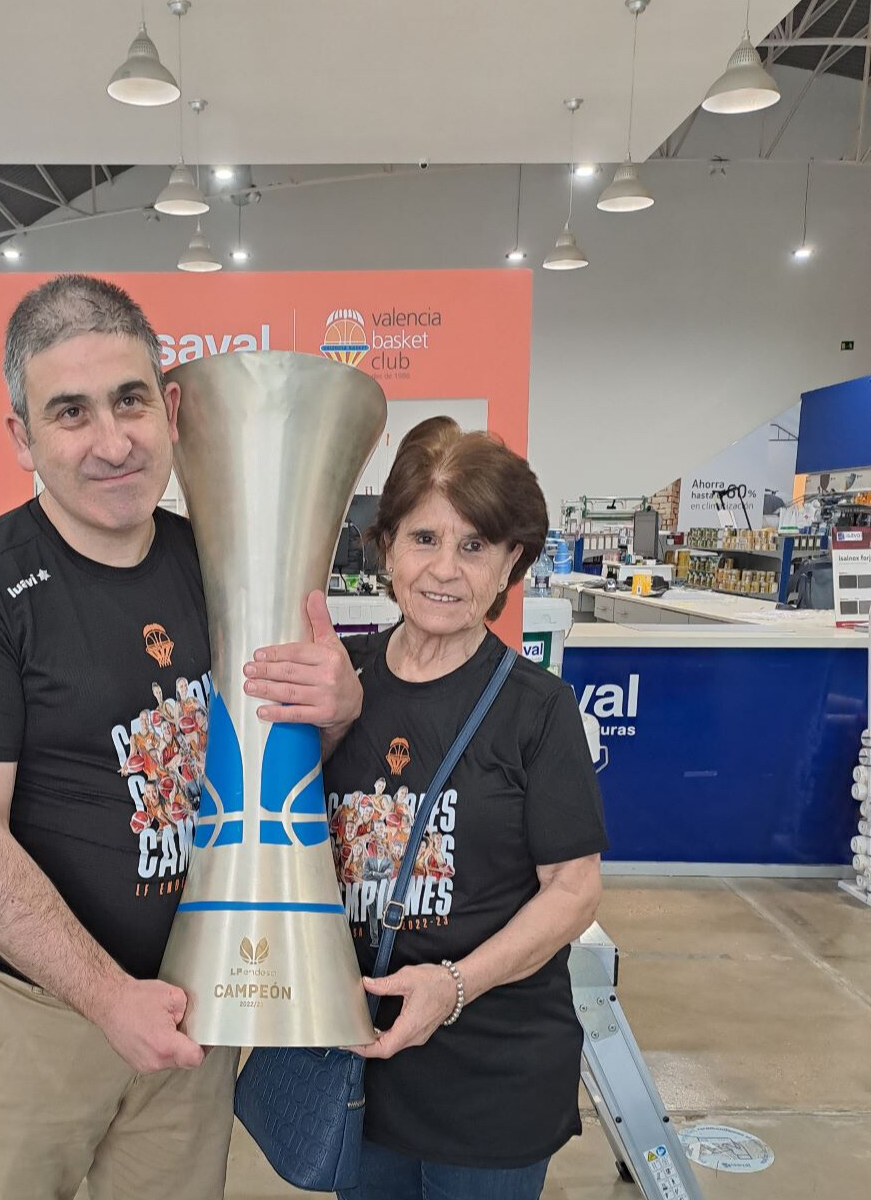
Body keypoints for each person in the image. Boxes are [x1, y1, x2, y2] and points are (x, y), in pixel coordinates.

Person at [0, 273, 363, 1200]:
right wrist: (109, 999)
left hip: (189, 1000)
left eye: (130, 400)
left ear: (172, 406)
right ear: (23, 436)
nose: (112, 442)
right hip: (30, 1021)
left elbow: (276, 776)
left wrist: (335, 712)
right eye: (70, 413)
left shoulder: (222, 560)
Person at [320, 418, 608, 1200]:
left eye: (475, 545)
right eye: (423, 539)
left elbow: (574, 891)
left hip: (492, 1081)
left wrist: (453, 985)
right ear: (385, 548)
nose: (445, 570)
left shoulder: (537, 710)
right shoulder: (340, 687)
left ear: (510, 560)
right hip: (360, 1072)